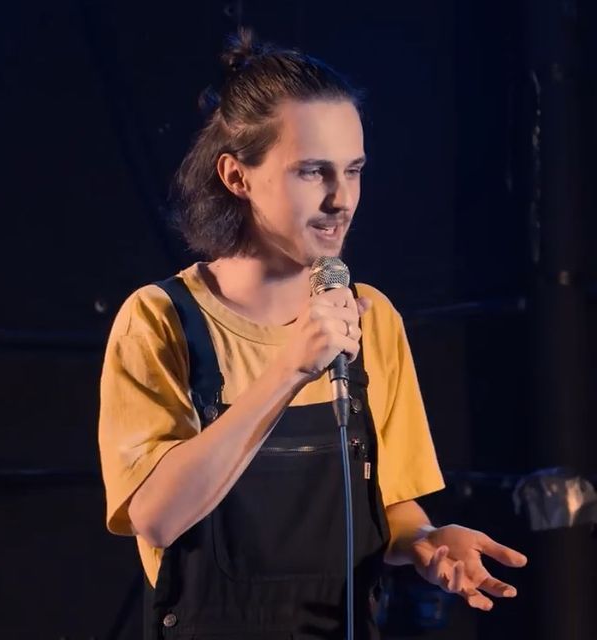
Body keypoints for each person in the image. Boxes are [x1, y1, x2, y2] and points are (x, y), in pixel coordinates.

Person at [98, 29, 527, 639]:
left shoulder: (371, 317)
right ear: (237, 176)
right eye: (311, 172)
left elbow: (390, 504)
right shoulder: (161, 320)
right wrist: (289, 370)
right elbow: (156, 518)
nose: (340, 199)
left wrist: (428, 542)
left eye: (353, 171)